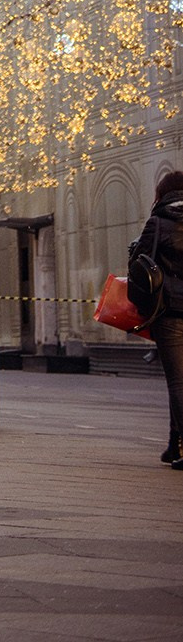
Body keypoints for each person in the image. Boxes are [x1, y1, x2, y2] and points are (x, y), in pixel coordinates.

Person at [129, 166, 183, 468]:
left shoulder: (159, 222)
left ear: (161, 194)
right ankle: (174, 446)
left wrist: (143, 308)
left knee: (178, 383)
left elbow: (140, 266)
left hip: (171, 313)